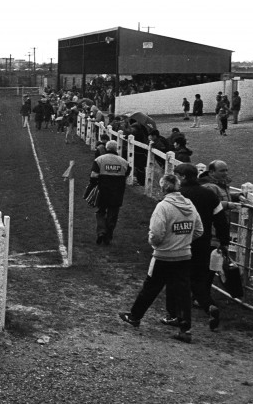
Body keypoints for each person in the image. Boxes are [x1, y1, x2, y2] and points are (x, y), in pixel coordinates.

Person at [119, 173, 203, 343]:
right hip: (184, 255)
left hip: (164, 255)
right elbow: (199, 230)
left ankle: (135, 316)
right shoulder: (190, 205)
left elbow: (157, 233)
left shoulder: (163, 207)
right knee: (183, 293)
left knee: (150, 287)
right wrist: (184, 241)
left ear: (164, 188)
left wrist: (156, 244)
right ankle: (185, 328)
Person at [169, 164, 229, 331]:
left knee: (178, 278)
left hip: (180, 240)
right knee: (198, 279)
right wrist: (224, 241)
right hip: (203, 241)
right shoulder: (209, 195)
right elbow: (220, 220)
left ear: (181, 177)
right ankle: (209, 305)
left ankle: (178, 315)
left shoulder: (178, 195)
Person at [87, 141, 130, 245]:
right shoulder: (124, 162)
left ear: (106, 148)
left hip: (102, 191)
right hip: (117, 192)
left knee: (101, 212)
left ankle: (101, 231)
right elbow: (126, 175)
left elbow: (93, 175)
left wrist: (92, 186)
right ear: (116, 149)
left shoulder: (99, 160)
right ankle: (108, 237)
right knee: (113, 214)